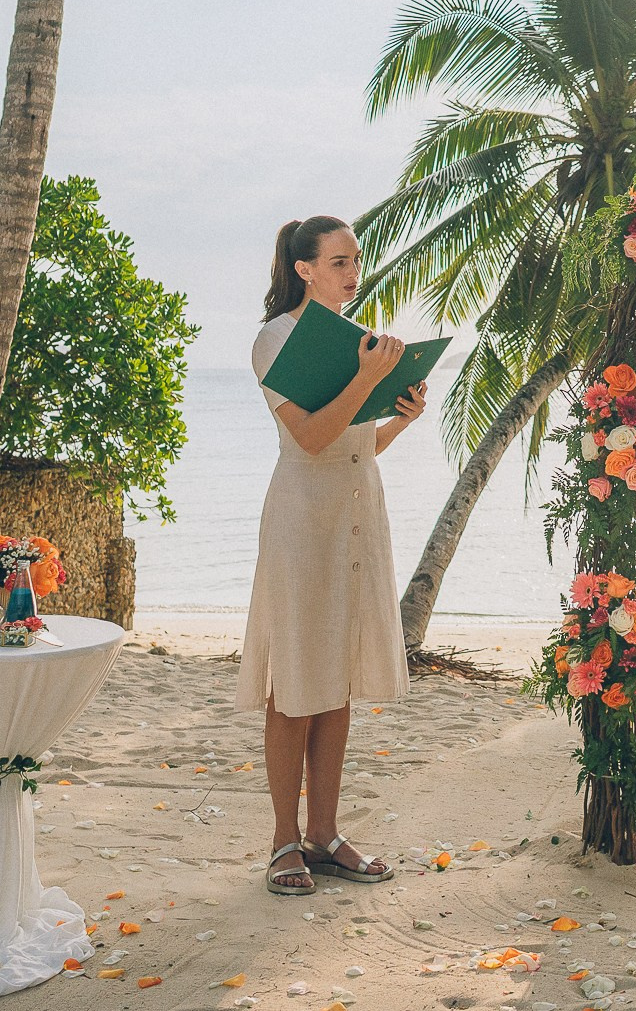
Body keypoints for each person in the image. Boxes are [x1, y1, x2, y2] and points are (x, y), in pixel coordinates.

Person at [242, 215, 426, 898]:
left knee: (336, 678)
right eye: (339, 260)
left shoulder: (361, 340)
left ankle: (325, 831)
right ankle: (283, 840)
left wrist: (400, 414)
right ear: (304, 268)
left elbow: (355, 443)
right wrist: (364, 376)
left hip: (356, 516)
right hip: (300, 522)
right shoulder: (275, 340)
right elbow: (312, 438)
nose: (353, 271)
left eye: (356, 259)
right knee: (294, 680)